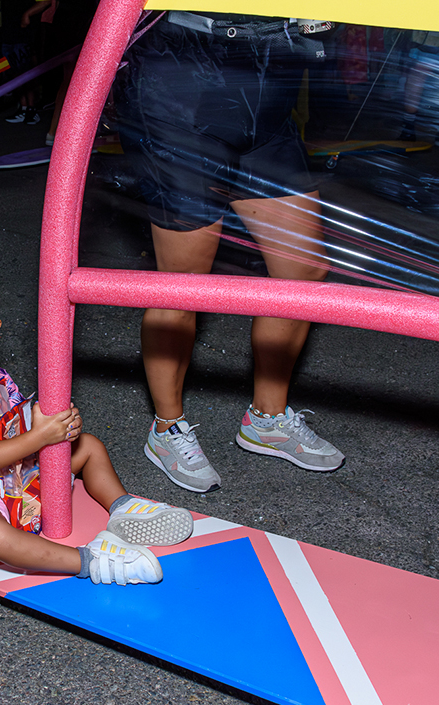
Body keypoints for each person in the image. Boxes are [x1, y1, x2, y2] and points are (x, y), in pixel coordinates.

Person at [116, 12, 345, 494]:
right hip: (181, 84)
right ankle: (166, 428)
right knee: (184, 285)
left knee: (303, 270)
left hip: (268, 78)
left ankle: (267, 419)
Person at [0, 258, 194, 585]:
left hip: (18, 472)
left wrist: (58, 424)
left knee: (89, 447)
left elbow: (14, 424)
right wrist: (41, 437)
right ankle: (91, 560)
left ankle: (123, 506)